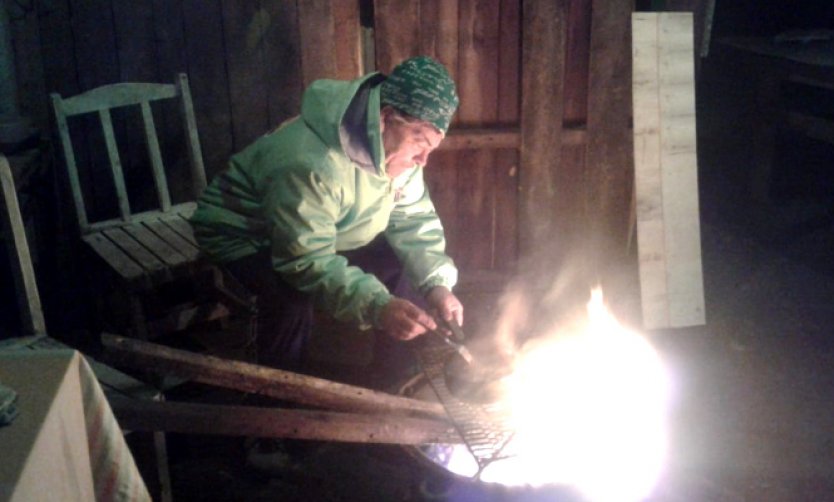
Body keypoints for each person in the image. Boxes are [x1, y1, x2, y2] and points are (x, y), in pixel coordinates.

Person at [190, 56, 464, 382]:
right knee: (289, 299)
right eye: (420, 142)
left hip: (322, 228)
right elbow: (305, 260)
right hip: (244, 233)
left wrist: (436, 285)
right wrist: (378, 306)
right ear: (385, 117)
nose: (423, 160)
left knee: (403, 269)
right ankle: (279, 399)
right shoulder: (313, 163)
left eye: (432, 146)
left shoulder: (398, 154)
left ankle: (391, 380)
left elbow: (412, 219)